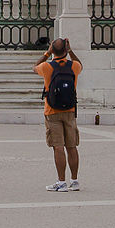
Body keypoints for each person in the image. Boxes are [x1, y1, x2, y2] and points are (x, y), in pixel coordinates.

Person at [35, 37, 82, 190]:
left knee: (58, 146)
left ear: (53, 51)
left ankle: (61, 182)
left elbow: (34, 66)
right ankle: (74, 181)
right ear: (65, 50)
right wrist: (70, 51)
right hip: (70, 110)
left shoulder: (47, 67)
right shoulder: (73, 66)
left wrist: (47, 53)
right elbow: (81, 64)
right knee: (72, 146)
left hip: (52, 110)